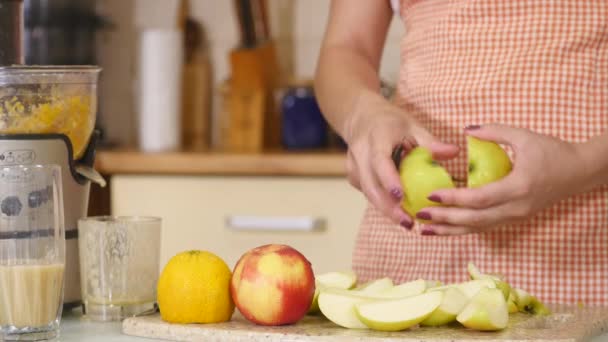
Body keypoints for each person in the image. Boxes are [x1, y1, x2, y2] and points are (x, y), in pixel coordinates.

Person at [314, 0, 608, 305]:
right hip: (419, 243)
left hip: (587, 241)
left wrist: (583, 163)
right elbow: (347, 47)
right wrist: (362, 115)